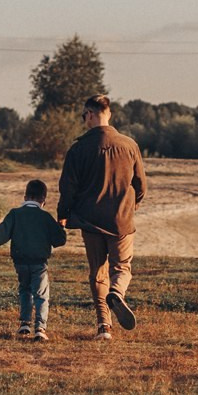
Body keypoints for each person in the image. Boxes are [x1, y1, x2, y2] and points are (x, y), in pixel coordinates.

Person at [58, 94, 146, 340]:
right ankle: (117, 292)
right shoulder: (130, 145)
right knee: (122, 268)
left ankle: (104, 326)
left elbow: (68, 187)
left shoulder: (78, 149)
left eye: (83, 116)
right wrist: (132, 206)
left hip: (90, 221)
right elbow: (141, 185)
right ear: (109, 115)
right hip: (121, 221)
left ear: (89, 114)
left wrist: (62, 215)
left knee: (97, 273)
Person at [0, 178, 67, 341]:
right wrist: (61, 226)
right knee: (41, 294)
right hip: (39, 262)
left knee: (25, 290)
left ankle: (25, 323)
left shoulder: (15, 214)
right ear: (43, 200)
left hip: (20, 261)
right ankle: (40, 327)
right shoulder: (45, 217)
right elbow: (59, 240)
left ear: (25, 197)